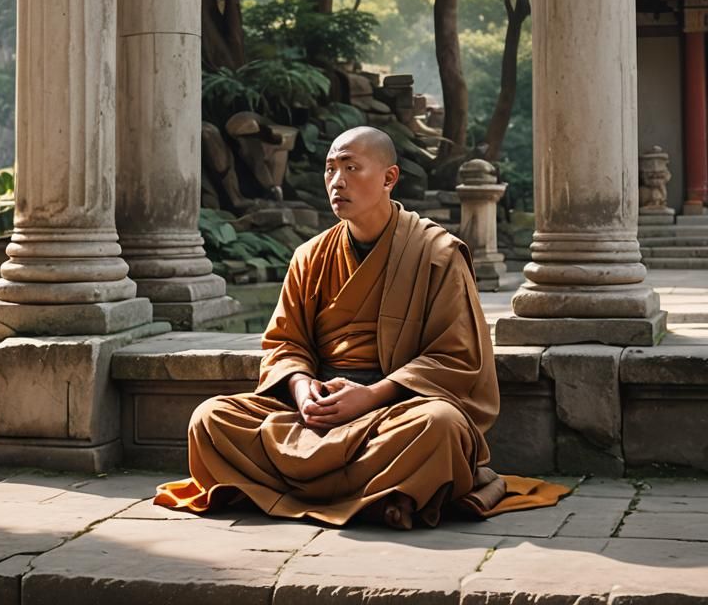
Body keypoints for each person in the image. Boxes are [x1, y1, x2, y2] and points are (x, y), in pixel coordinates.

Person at [154, 126, 567, 528]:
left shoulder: (437, 254)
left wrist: (369, 396)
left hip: (395, 410)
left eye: (351, 168)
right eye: (330, 169)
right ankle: (381, 496)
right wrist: (302, 389)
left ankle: (308, 489)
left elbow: (456, 357)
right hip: (319, 410)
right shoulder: (310, 256)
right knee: (210, 418)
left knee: (441, 426)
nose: (337, 181)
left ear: (389, 178)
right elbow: (285, 344)